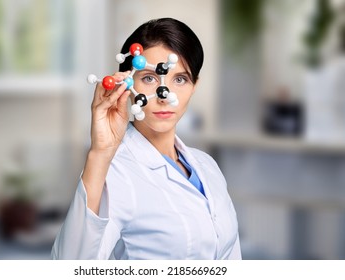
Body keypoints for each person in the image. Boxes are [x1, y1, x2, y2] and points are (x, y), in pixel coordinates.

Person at [51, 17, 241, 260]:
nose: (165, 95)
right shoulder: (115, 172)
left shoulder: (208, 167)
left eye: (180, 79)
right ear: (126, 82)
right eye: (149, 78)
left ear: (194, 86)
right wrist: (100, 153)